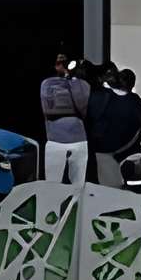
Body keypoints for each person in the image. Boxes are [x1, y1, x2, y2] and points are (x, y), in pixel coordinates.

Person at [39, 53, 96, 186]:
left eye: (65, 62)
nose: (63, 65)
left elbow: (83, 106)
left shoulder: (82, 84)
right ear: (55, 66)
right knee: (52, 185)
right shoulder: (47, 83)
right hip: (55, 141)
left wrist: (73, 78)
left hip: (79, 141)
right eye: (59, 63)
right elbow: (49, 110)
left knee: (79, 185)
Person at [85, 61, 141, 165]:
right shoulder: (137, 102)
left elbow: (88, 119)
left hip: (101, 151)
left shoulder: (101, 96)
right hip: (127, 151)